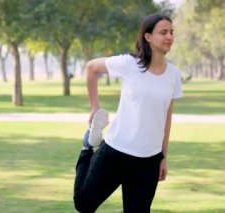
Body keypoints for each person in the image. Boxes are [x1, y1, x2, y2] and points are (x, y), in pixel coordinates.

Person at [73, 13, 183, 213]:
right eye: (163, 32)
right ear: (148, 37)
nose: (169, 37)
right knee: (83, 204)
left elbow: (167, 118)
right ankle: (87, 146)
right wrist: (94, 106)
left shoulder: (174, 75)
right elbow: (91, 68)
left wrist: (163, 157)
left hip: (149, 160)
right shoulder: (129, 64)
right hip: (116, 151)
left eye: (171, 32)